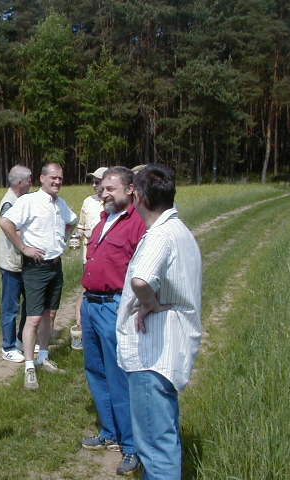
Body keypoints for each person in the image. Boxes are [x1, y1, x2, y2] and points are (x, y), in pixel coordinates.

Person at [116, 164, 202, 480]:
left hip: (154, 353)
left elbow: (140, 280)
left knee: (153, 444)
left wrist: (148, 303)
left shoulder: (159, 235)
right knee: (164, 432)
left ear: (137, 196)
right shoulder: (179, 229)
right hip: (171, 347)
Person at [80, 166, 145, 476]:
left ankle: (132, 446)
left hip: (114, 305)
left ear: (130, 189)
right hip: (90, 304)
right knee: (96, 369)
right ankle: (110, 432)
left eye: (110, 189)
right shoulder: (103, 220)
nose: (103, 193)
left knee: (119, 375)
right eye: (101, 188)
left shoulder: (137, 224)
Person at [0, 162, 77, 390]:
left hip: (55, 265)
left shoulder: (60, 204)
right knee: (33, 318)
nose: (57, 182)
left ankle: (44, 356)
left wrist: (63, 239)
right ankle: (29, 367)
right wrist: (24, 248)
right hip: (35, 267)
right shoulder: (28, 201)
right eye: (53, 177)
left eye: (60, 178)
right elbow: (5, 222)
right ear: (42, 178)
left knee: (50, 314)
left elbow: (72, 221)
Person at [0, 165, 32, 363]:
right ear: (20, 182)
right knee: (10, 307)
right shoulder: (9, 203)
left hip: (22, 263)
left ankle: (21, 339)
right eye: (29, 179)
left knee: (29, 303)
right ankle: (8, 346)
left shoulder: (19, 200)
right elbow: (12, 229)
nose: (31, 183)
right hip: (11, 263)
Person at [73, 166, 107, 350]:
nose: (94, 184)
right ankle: (80, 329)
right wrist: (78, 237)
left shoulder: (116, 203)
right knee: (86, 290)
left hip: (110, 259)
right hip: (90, 257)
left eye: (98, 180)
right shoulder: (88, 202)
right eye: (93, 181)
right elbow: (81, 227)